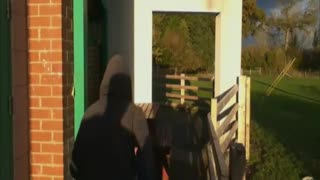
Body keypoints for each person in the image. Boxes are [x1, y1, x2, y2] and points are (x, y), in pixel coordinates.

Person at [70, 55, 155, 180]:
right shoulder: (135, 113)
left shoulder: (89, 112)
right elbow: (147, 162)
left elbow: (74, 165)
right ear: (128, 84)